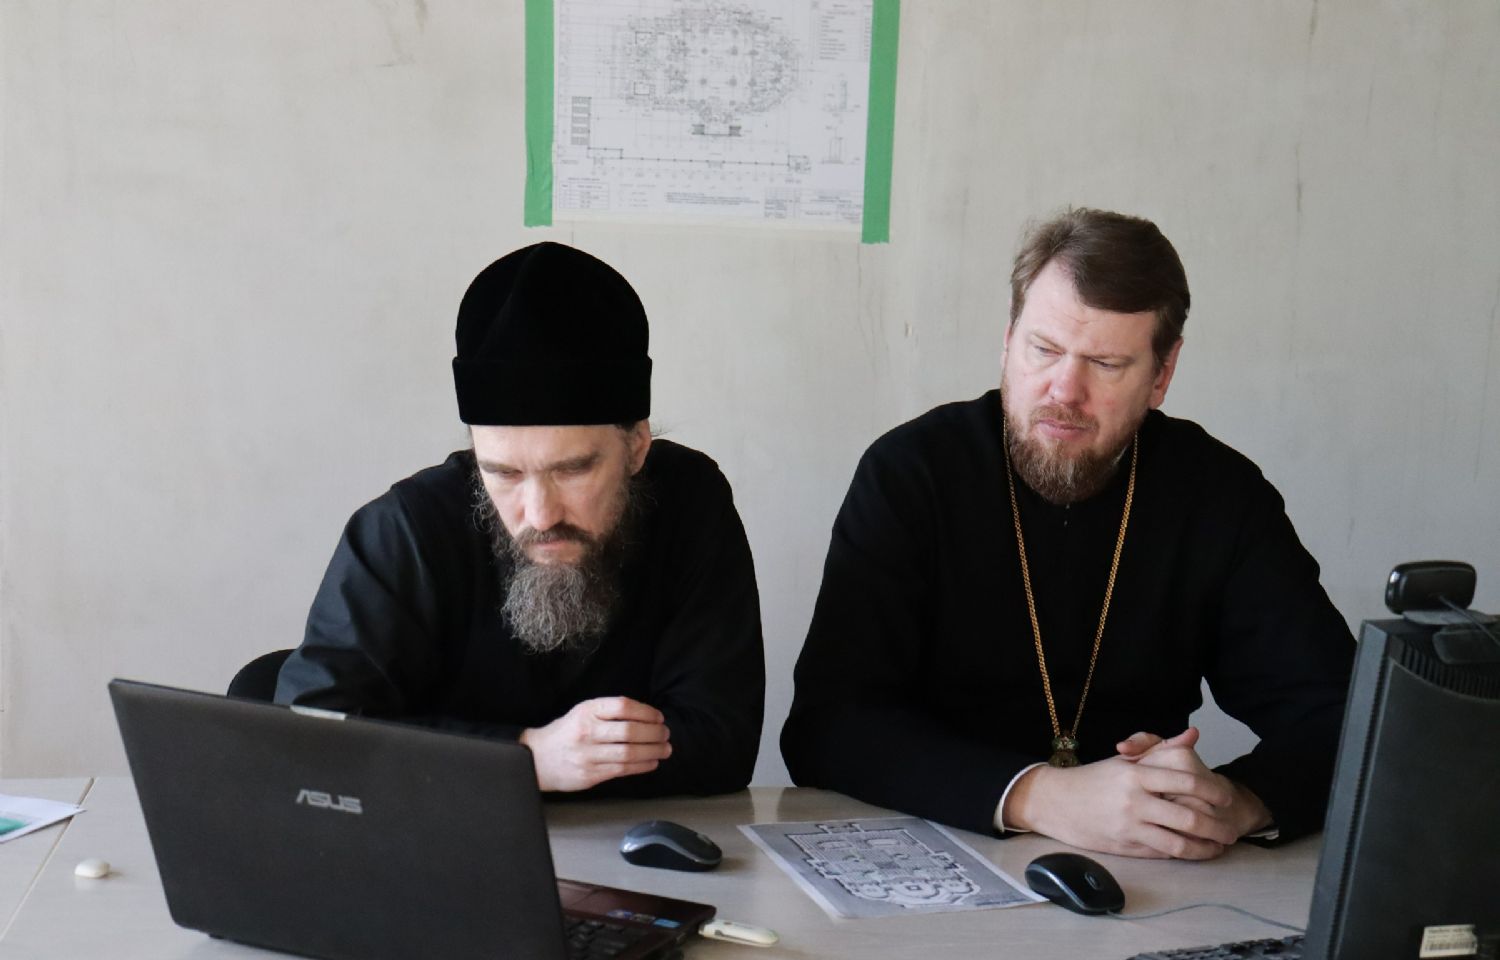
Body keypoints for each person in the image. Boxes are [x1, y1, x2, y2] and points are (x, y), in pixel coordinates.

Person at [781, 207, 1354, 860]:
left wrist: (1238, 801)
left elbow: (1347, 718)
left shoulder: (1219, 494)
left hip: (1141, 868)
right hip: (930, 846)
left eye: (1106, 364)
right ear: (1007, 342)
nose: (1065, 390)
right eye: (1044, 350)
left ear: (1161, 375)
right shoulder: (914, 473)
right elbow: (829, 725)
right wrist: (1041, 796)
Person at [276, 242, 765, 798]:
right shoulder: (405, 530)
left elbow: (720, 742)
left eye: (573, 470)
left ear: (635, 448)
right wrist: (525, 758)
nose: (540, 514)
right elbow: (312, 738)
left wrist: (445, 759)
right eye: (504, 473)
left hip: (630, 846)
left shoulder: (690, 502)